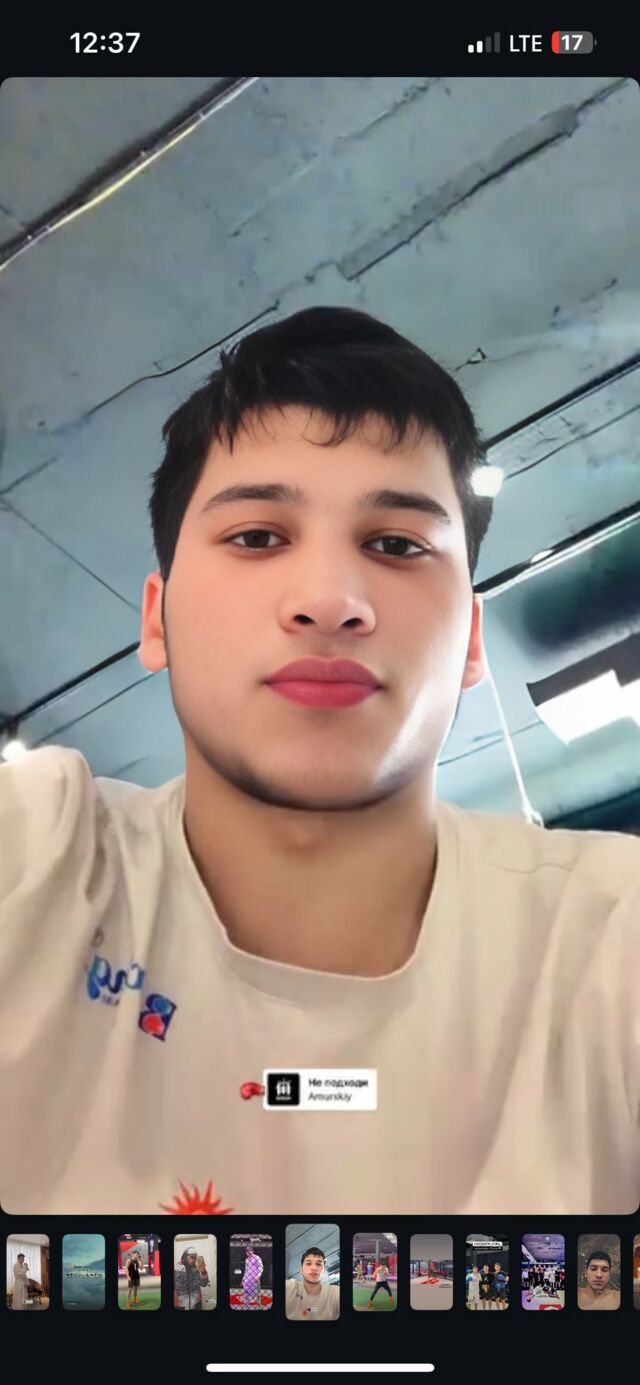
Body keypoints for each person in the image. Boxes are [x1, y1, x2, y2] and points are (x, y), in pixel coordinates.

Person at [1, 305, 639, 1218]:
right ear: (156, 619)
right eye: (258, 536)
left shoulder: (610, 937)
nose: (331, 600)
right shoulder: (37, 864)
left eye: (397, 545)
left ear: (470, 639)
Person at [285, 1247, 339, 1320]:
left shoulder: (335, 1293)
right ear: (301, 1269)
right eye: (308, 1263)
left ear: (323, 1270)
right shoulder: (290, 1287)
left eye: (318, 1264)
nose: (314, 1268)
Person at [174, 1244, 210, 1310]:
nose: (193, 1260)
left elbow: (204, 1284)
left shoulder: (197, 1268)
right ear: (185, 1256)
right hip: (181, 1303)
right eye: (191, 1257)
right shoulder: (177, 1268)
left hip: (196, 1302)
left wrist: (203, 1271)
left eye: (195, 1258)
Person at [241, 1244, 263, 1308]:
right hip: (247, 1280)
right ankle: (246, 1307)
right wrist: (243, 1279)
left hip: (255, 1279)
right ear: (246, 1253)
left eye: (250, 1250)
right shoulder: (246, 1260)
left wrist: (258, 1276)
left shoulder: (257, 1258)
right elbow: (246, 1270)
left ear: (252, 1251)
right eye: (247, 1251)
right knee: (246, 1295)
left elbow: (261, 1267)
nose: (249, 1252)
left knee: (257, 1295)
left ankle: (259, 1307)